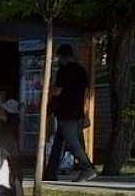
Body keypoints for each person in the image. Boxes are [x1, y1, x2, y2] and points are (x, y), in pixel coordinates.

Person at [42, 44, 97, 183]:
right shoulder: (81, 71)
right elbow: (86, 93)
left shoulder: (63, 71)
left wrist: (45, 88)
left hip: (65, 111)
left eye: (59, 57)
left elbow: (57, 91)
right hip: (77, 111)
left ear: (62, 57)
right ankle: (50, 172)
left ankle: (87, 168)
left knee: (72, 143)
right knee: (59, 143)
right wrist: (85, 113)